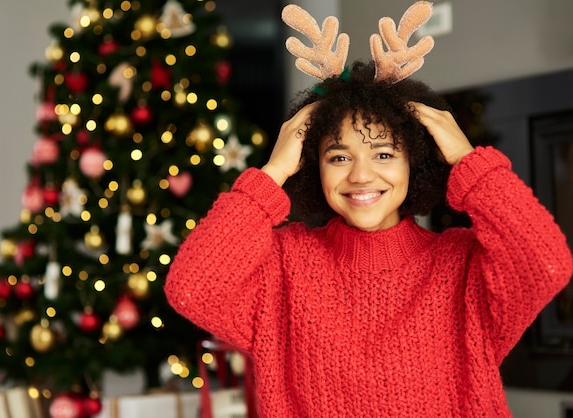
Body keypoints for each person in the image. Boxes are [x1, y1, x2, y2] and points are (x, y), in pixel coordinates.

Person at [165, 4, 573, 414]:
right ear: (313, 166)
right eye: (339, 157)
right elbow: (191, 288)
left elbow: (546, 264)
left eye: (383, 154)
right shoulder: (282, 266)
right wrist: (273, 172)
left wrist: (470, 161)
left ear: (415, 159)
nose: (361, 176)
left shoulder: (462, 267)